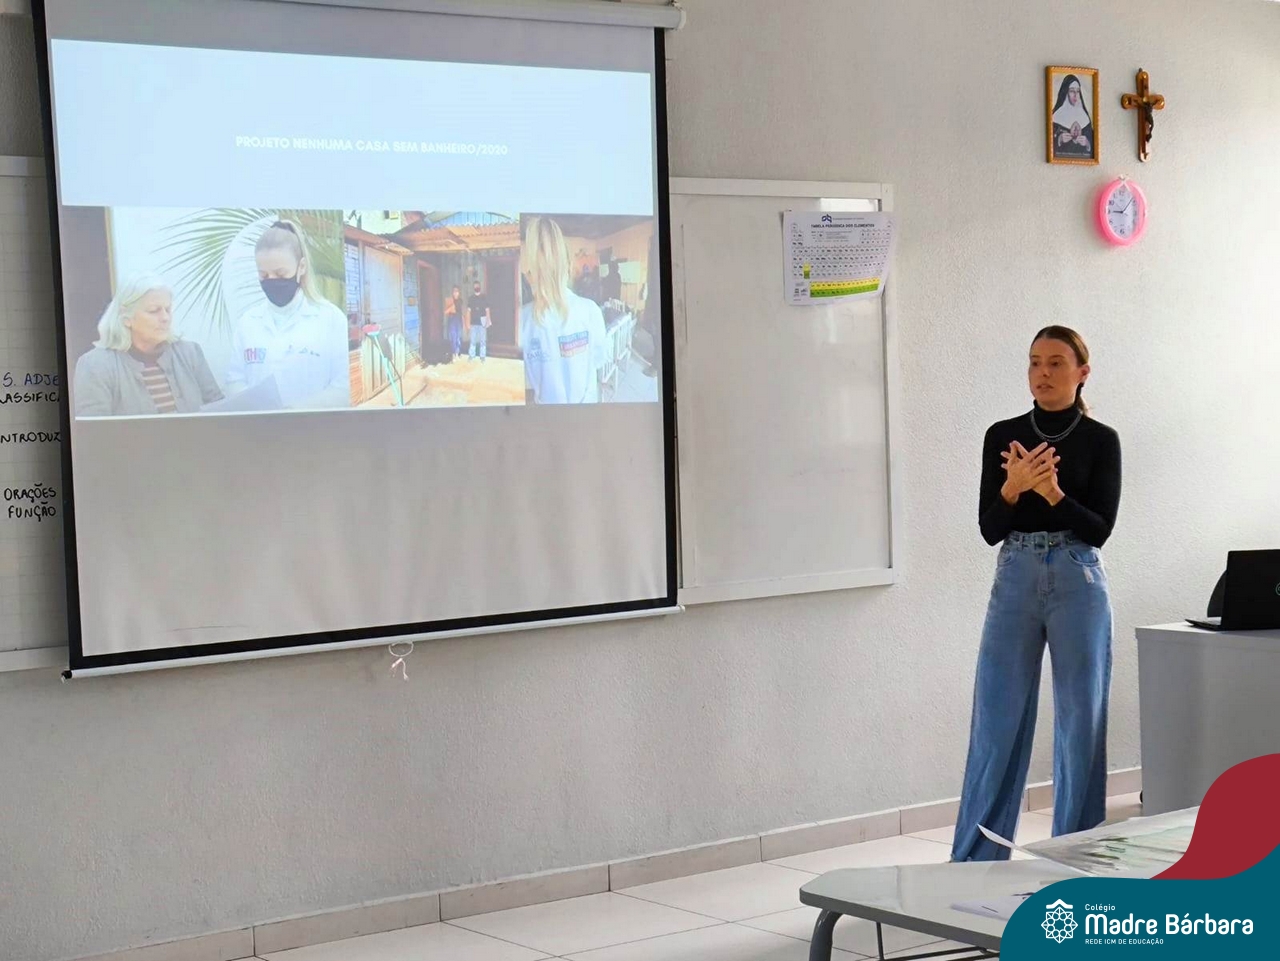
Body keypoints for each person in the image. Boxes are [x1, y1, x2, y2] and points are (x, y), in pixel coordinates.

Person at [950, 326, 1122, 862]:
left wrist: (1052, 494)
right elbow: (989, 528)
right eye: (1034, 362)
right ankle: (975, 861)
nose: (1042, 373)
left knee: (1080, 721)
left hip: (1078, 576)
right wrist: (1012, 488)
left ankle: (1075, 857)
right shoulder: (1003, 435)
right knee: (996, 718)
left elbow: (1099, 529)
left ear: (1082, 373)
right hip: (1016, 573)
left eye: (1055, 363)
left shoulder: (1101, 440)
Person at [224, 219, 349, 410]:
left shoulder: (331, 319)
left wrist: (293, 412)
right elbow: (234, 381)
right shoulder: (248, 322)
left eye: (281, 274)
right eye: (264, 275)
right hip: (261, 427)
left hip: (315, 427)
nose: (272, 281)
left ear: (301, 267)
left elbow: (343, 389)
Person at [73, 274, 223, 417]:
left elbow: (219, 412)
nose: (165, 317)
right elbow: (92, 430)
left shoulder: (190, 353)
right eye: (154, 311)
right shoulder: (95, 365)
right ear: (126, 318)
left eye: (168, 309)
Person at [519, 216, 608, 405]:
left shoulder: (521, 321)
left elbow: (527, 380)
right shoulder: (590, 311)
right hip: (587, 412)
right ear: (568, 265)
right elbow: (597, 361)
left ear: (529, 272)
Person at [1052, 75, 1094, 158]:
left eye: (1077, 91)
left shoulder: (1085, 117)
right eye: (1072, 91)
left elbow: (1092, 150)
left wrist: (1087, 143)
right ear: (1066, 92)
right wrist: (1059, 139)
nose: (1075, 95)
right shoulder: (1056, 116)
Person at [466, 281, 491, 362]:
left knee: (482, 341)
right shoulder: (471, 298)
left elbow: (487, 310)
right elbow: (468, 311)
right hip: (473, 322)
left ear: (480, 287)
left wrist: (488, 321)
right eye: (475, 286)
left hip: (482, 323)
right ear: (473, 287)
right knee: (472, 340)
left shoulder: (484, 297)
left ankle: (482, 356)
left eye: (477, 286)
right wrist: (467, 323)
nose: (476, 287)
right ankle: (471, 355)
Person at [445, 285, 464, 360]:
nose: (455, 293)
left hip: (458, 319)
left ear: (459, 292)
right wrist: (451, 307)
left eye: (457, 291)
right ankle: (453, 354)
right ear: (452, 293)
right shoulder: (450, 301)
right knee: (453, 337)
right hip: (452, 319)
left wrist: (463, 321)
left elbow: (461, 312)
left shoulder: (460, 301)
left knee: (459, 337)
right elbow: (446, 312)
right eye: (454, 291)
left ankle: (458, 352)